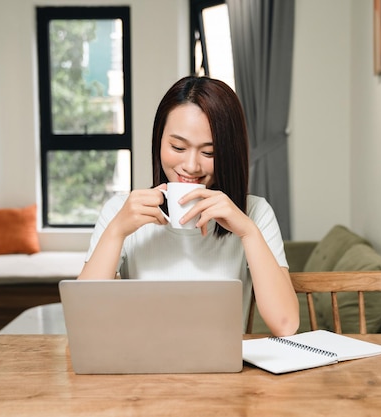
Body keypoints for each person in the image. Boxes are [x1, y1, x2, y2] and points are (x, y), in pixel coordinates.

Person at [78, 75, 299, 337]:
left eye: (209, 153)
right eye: (178, 147)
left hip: (222, 372)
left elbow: (286, 324)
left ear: (229, 153)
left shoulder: (254, 213)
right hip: (142, 369)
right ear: (159, 141)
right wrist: (116, 231)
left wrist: (248, 232)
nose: (191, 166)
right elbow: (83, 321)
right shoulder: (121, 210)